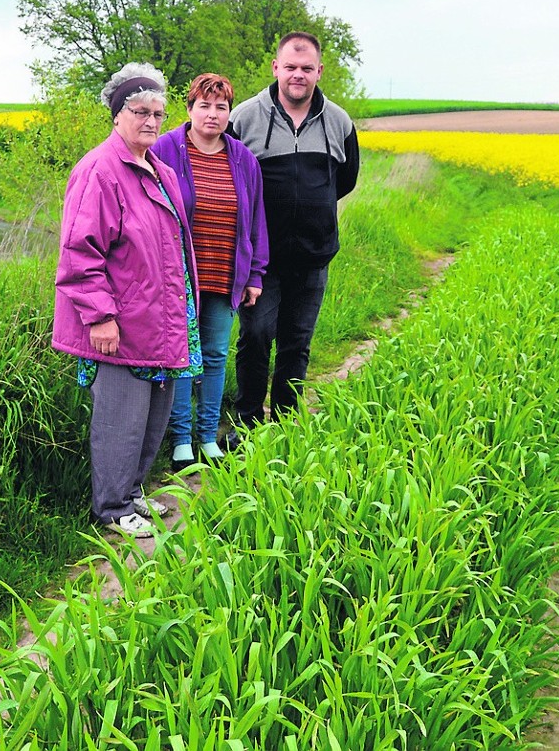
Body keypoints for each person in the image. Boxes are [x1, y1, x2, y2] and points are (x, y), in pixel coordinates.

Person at [52, 62, 202, 537]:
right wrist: (100, 317)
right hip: (120, 322)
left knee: (154, 415)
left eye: (159, 112)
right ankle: (112, 509)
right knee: (120, 419)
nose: (152, 121)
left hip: (160, 319)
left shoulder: (158, 169)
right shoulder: (99, 170)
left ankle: (133, 494)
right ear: (118, 114)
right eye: (141, 111)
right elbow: (79, 252)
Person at [228, 31, 360, 438]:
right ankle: (248, 421)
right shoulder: (246, 117)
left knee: (296, 342)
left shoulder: (339, 122)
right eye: (290, 67)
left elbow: (347, 179)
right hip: (261, 260)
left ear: (319, 71)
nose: (298, 75)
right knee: (255, 335)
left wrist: (310, 214)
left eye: (306, 68)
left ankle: (284, 423)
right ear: (276, 68)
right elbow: (229, 179)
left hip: (313, 256)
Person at [151, 73, 268, 471]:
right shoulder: (165, 149)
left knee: (215, 356)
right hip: (178, 277)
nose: (212, 114)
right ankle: (181, 438)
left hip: (224, 272)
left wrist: (255, 274)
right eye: (204, 105)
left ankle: (207, 436)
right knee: (182, 356)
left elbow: (255, 220)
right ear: (189, 109)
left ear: (229, 112)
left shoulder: (242, 158)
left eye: (221, 107)